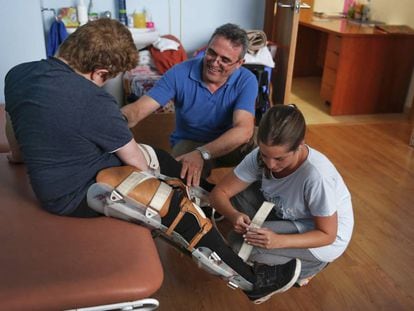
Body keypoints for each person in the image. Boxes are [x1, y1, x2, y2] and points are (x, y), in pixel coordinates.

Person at [4, 19, 300, 303]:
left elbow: (13, 124)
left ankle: (211, 201)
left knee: (159, 157)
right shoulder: (95, 103)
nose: (216, 62)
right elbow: (138, 166)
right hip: (74, 195)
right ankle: (251, 282)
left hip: (80, 167)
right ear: (100, 72)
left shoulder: (18, 74)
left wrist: (18, 157)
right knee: (178, 211)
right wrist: (168, 192)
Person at [210, 104, 354, 285]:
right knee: (236, 208)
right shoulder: (258, 157)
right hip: (293, 215)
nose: (270, 165)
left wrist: (279, 241)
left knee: (239, 245)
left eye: (279, 158)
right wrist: (234, 215)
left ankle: (313, 265)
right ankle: (282, 253)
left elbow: (327, 234)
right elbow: (219, 193)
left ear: (300, 144)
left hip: (325, 237)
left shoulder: (316, 176)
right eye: (264, 155)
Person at [121, 23, 258, 187]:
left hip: (227, 143)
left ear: (239, 63)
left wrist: (203, 154)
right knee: (175, 180)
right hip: (190, 142)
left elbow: (243, 130)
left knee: (265, 148)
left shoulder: (247, 80)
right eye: (212, 53)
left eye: (225, 60)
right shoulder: (179, 73)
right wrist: (108, 121)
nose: (215, 62)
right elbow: (137, 111)